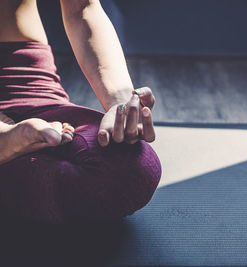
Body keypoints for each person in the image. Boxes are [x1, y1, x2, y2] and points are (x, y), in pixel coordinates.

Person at [0, 0, 162, 224]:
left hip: (26, 78)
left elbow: (82, 8)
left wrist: (120, 102)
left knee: (129, 170)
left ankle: (11, 148)